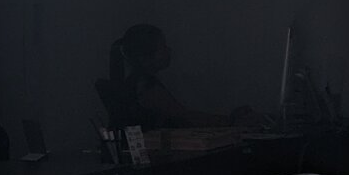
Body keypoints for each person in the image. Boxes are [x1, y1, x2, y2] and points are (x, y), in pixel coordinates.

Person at [98, 24, 248, 131]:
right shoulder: (145, 86)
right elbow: (185, 116)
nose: (169, 51)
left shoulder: (136, 82)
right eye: (163, 47)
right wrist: (233, 121)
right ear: (145, 57)